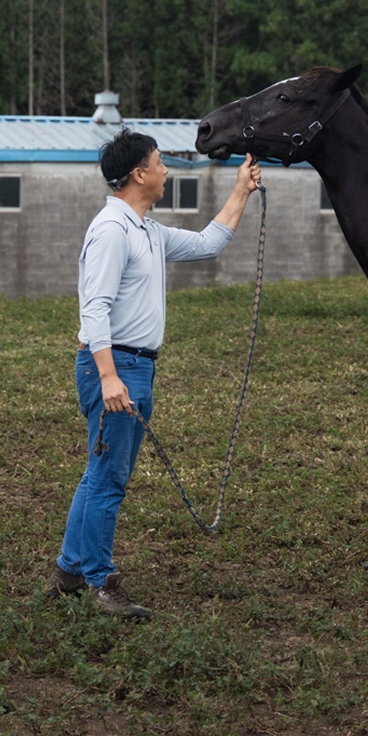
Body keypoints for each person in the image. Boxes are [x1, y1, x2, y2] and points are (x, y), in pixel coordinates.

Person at [47, 127, 262, 619]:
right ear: (140, 173)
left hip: (135, 367)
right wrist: (107, 377)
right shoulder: (111, 231)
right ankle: (100, 584)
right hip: (115, 367)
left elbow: (209, 243)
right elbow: (94, 309)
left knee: (98, 474)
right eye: (160, 162)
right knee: (108, 481)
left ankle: (68, 571)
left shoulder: (147, 229)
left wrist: (240, 191)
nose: (167, 170)